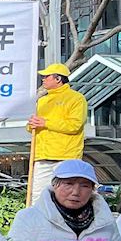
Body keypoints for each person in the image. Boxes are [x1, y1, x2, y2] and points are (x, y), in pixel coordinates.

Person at [26, 63, 88, 204]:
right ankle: (38, 218)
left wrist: (45, 123)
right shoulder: (42, 101)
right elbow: (32, 126)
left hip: (66, 157)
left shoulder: (76, 98)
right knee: (38, 197)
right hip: (42, 156)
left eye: (46, 76)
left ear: (58, 79)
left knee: (67, 196)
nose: (43, 79)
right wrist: (31, 125)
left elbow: (75, 125)